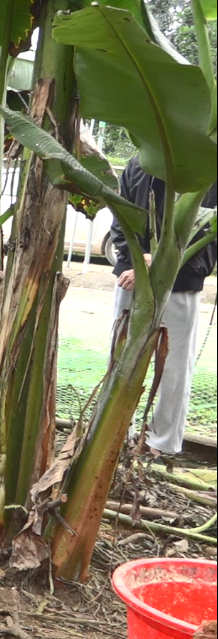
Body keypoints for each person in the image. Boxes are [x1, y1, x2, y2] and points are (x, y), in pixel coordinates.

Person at [109, 158, 217, 455]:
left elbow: (207, 229)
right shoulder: (139, 162)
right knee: (121, 357)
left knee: (174, 367)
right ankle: (117, 435)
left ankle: (163, 444)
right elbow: (120, 218)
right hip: (131, 276)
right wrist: (137, 259)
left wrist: (159, 260)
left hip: (181, 280)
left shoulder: (206, 161)